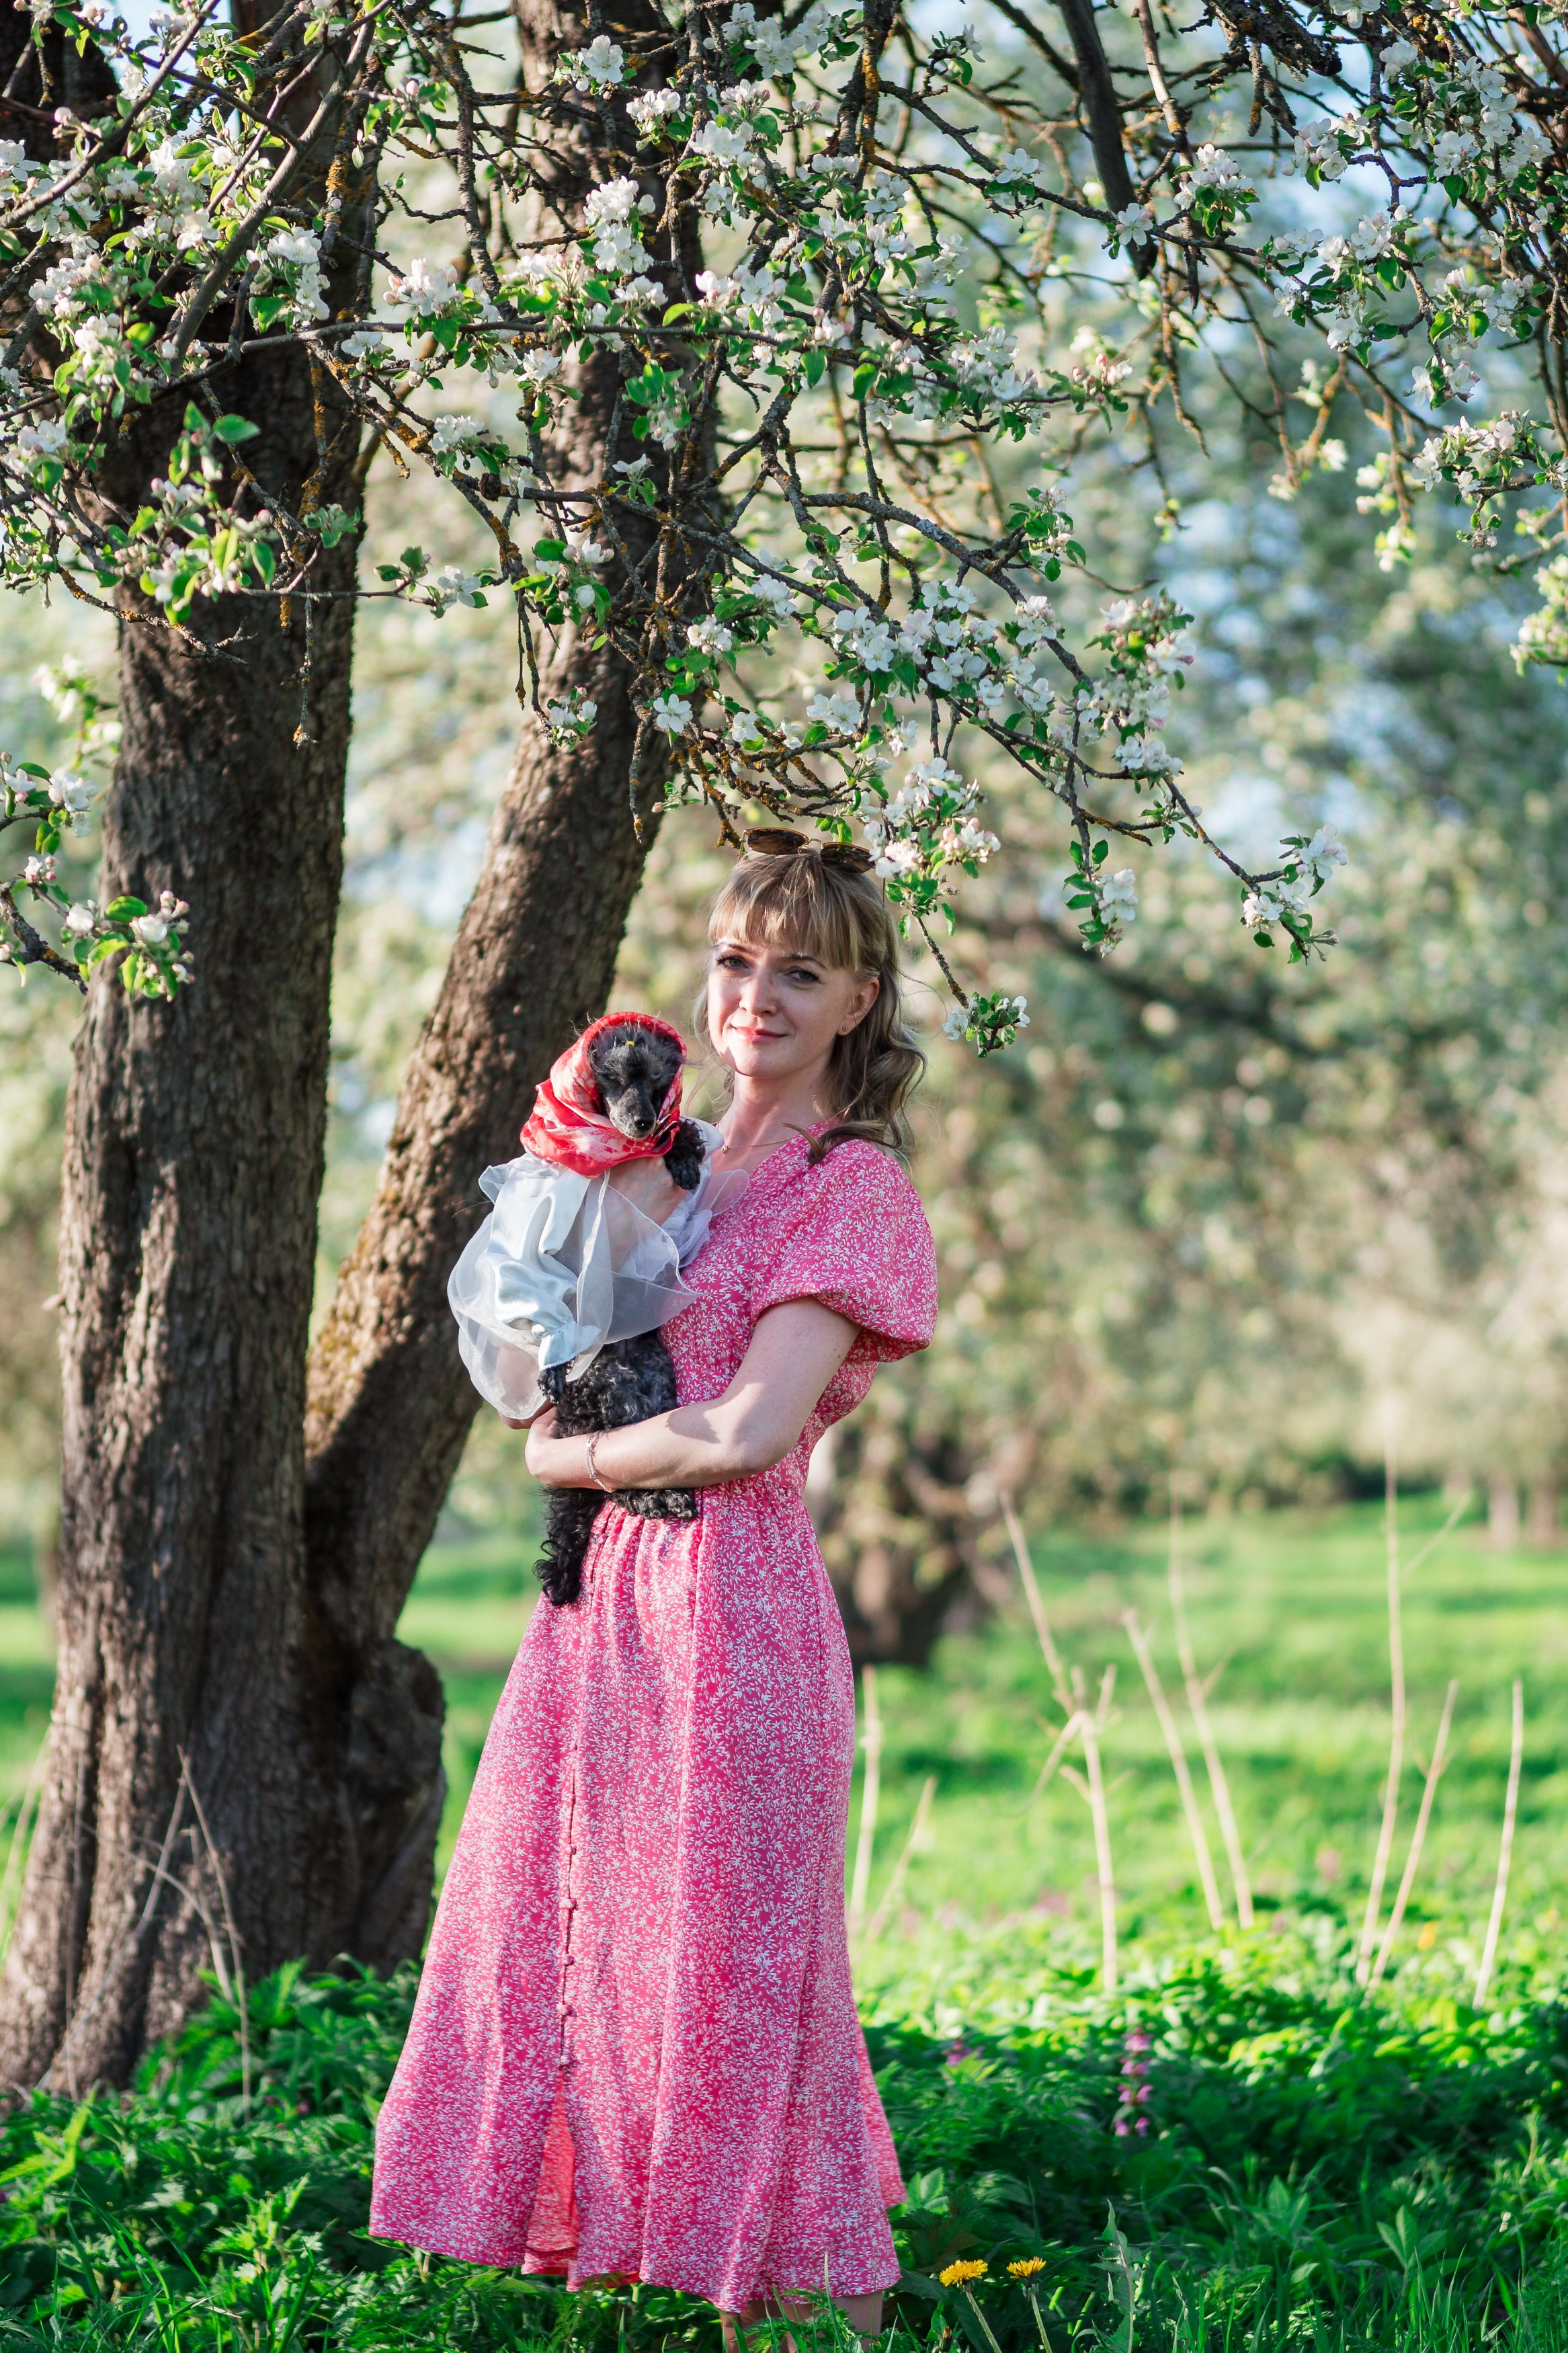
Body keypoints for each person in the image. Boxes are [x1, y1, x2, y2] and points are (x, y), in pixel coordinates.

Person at [370, 834, 940, 2338]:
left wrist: (564, 1465)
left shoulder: (851, 1188)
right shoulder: (662, 1160)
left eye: (801, 970)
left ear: (856, 998)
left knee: (753, 1995)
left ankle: (815, 2322)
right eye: (740, 958)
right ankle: (652, 2290)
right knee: (588, 1958)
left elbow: (749, 1434)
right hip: (602, 1611)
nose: (757, 994)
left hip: (735, 1607)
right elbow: (528, 1348)